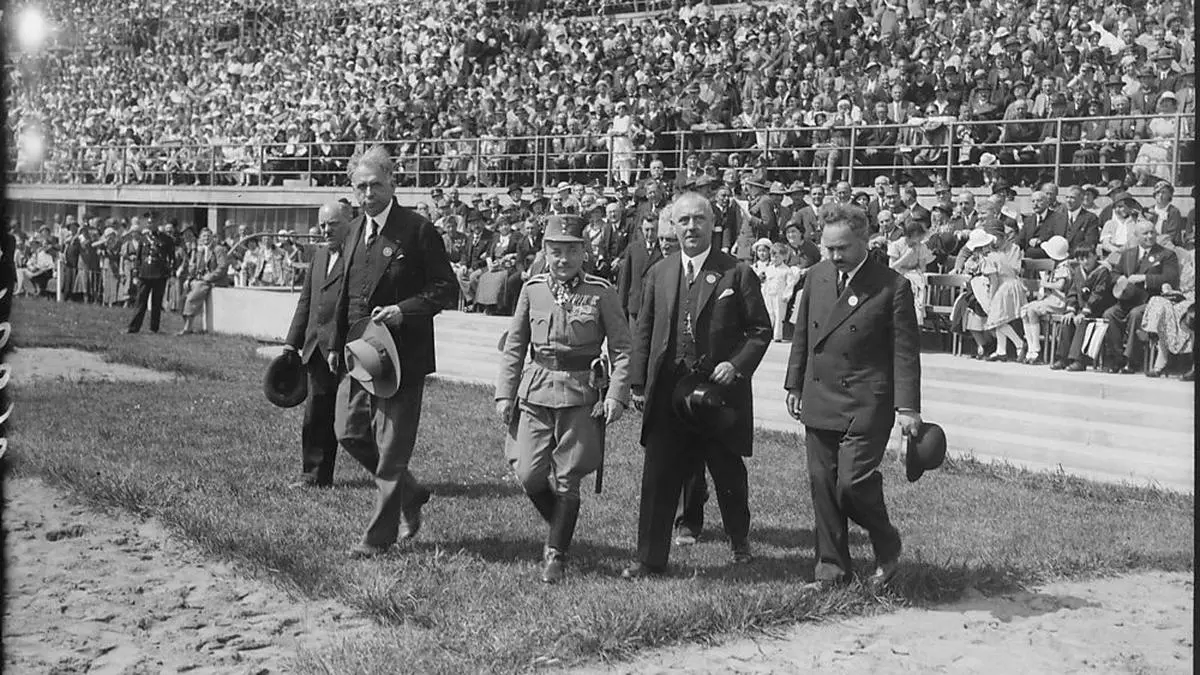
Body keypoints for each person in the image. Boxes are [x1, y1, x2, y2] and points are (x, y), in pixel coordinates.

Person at [622, 192, 772, 579]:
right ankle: (650, 558)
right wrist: (638, 383)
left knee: (727, 472)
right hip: (670, 393)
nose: (691, 227)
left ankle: (740, 544)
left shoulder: (735, 272)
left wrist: (735, 366)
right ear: (673, 226)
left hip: (718, 395)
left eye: (699, 220)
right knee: (658, 475)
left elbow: (760, 330)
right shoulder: (660, 271)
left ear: (713, 225)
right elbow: (643, 331)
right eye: (683, 220)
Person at [784, 203, 921, 590]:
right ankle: (831, 571)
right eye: (828, 248)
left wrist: (908, 407)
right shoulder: (816, 277)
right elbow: (804, 337)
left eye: (842, 248)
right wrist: (794, 383)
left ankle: (886, 541)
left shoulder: (892, 286)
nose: (833, 256)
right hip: (820, 397)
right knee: (823, 487)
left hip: (866, 402)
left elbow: (905, 352)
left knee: (852, 484)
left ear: (864, 240)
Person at [332, 145, 458, 558]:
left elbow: (445, 288)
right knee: (349, 432)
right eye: (360, 187)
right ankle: (411, 492)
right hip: (360, 354)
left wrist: (405, 311)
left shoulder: (417, 229)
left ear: (393, 183)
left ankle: (378, 539)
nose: (368, 194)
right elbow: (346, 293)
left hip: (404, 357)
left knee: (390, 448)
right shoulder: (352, 230)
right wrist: (336, 346)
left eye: (375, 185)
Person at [494, 214, 632, 584]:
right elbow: (515, 346)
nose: (563, 259)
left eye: (571, 250)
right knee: (527, 471)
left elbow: (622, 348)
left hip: (580, 392)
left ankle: (556, 553)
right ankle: (562, 523)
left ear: (583, 252)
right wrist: (504, 393)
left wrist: (617, 395)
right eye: (556, 251)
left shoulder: (601, 292)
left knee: (569, 477)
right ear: (545, 252)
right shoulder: (532, 289)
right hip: (536, 388)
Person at [284, 201, 353, 488]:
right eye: (323, 225)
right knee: (315, 413)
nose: (326, 230)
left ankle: (389, 476)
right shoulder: (320, 256)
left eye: (333, 224)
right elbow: (306, 301)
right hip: (315, 348)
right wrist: (292, 342)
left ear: (349, 222)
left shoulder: (357, 257)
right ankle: (314, 474)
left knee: (353, 421)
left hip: (345, 349)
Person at [1103, 220, 1180, 374]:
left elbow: (1171, 278)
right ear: (1136, 236)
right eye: (1145, 233)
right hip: (1127, 299)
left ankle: (1132, 361)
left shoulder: (1166, 254)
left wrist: (1144, 278)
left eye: (1152, 232)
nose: (1150, 236)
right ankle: (1116, 358)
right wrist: (1118, 279)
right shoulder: (1128, 253)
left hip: (1151, 301)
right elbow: (1115, 273)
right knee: (1110, 314)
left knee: (1136, 314)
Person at [1140, 237, 1194, 378]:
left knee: (1186, 312)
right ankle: (1153, 334)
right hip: (1181, 298)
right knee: (1159, 303)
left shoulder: (1188, 256)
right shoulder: (1182, 263)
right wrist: (1170, 290)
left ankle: (1164, 358)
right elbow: (1179, 285)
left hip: (1191, 301)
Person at [1019, 235, 1072, 364]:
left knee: (1032, 310)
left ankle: (1036, 349)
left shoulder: (1063, 267)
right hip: (1051, 299)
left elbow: (1060, 285)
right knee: (1024, 310)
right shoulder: (1056, 266)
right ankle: (1031, 348)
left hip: (1058, 301)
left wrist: (1045, 284)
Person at [126, 218, 177, 334]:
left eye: (153, 222)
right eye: (149, 223)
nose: (150, 225)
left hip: (159, 273)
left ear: (158, 223)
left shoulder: (166, 239)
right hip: (144, 273)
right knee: (140, 301)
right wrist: (135, 273)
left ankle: (154, 328)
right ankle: (133, 328)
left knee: (156, 302)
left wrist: (172, 273)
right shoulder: (143, 238)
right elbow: (138, 258)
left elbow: (172, 257)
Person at [178, 228, 231, 335]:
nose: (206, 238)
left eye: (208, 236)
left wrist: (210, 277)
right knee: (183, 297)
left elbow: (223, 267)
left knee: (193, 296)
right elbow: (195, 268)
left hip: (214, 280)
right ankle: (188, 324)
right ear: (200, 238)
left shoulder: (218, 249)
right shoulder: (200, 250)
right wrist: (189, 278)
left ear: (212, 237)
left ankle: (187, 328)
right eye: (204, 236)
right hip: (200, 279)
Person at [887, 221, 934, 326]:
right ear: (912, 235)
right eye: (919, 236)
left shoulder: (921, 247)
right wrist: (907, 256)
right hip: (898, 275)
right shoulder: (896, 245)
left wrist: (921, 259)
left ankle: (917, 321)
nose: (921, 239)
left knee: (918, 287)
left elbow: (922, 268)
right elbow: (892, 267)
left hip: (914, 276)